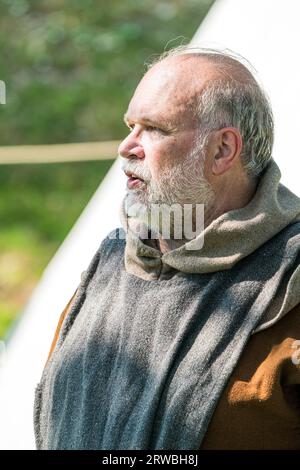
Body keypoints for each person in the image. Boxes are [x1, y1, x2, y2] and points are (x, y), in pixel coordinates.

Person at [34, 46, 300, 450]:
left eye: (154, 129)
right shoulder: (110, 265)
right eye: (130, 126)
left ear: (223, 150)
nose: (127, 146)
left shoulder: (291, 280)